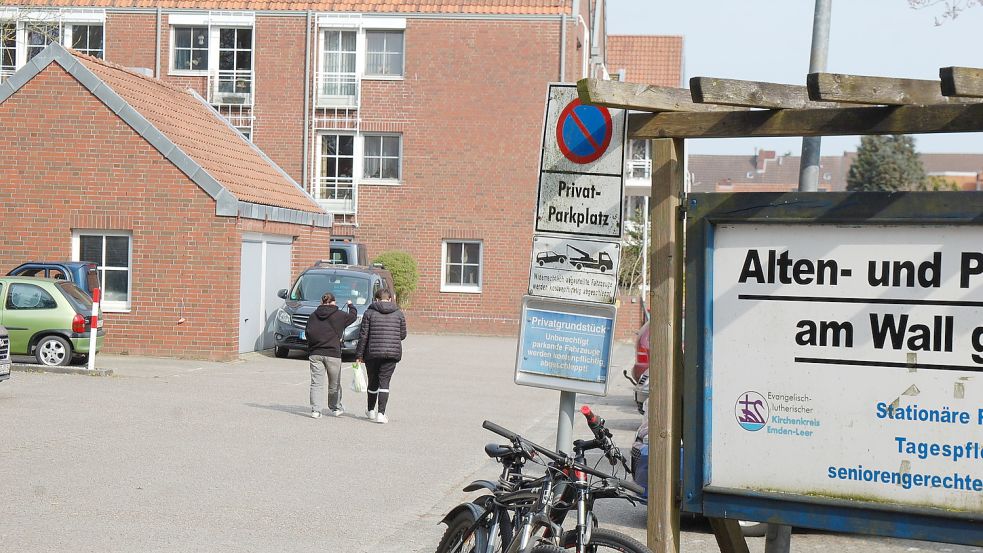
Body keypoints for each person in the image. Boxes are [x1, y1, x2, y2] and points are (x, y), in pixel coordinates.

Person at [355, 289, 407, 424]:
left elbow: (363, 336)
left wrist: (359, 355)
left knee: (372, 381)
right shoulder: (399, 313)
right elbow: (403, 335)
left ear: (376, 299)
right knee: (384, 383)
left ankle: (370, 410)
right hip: (391, 353)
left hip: (372, 353)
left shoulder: (369, 313)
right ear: (390, 299)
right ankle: (381, 414)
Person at [306, 292, 357, 418]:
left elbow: (308, 332)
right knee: (334, 383)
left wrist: (312, 347)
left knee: (316, 383)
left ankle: (316, 410)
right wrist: (351, 305)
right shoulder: (340, 315)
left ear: (321, 302)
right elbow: (353, 317)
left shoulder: (313, 316)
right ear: (334, 302)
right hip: (333, 354)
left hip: (316, 353)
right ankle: (335, 408)